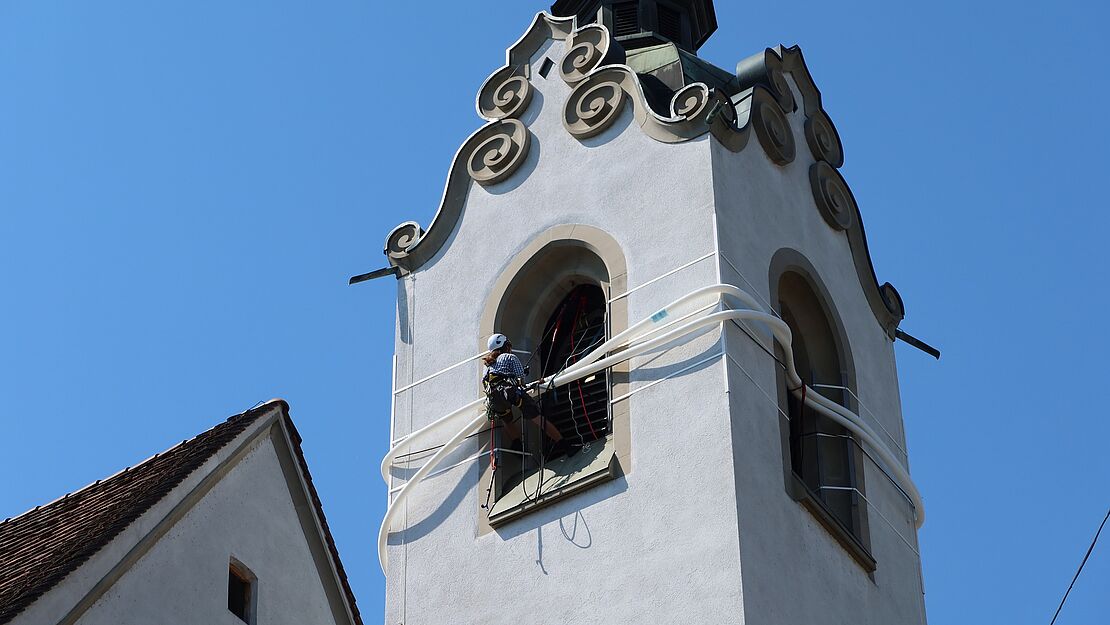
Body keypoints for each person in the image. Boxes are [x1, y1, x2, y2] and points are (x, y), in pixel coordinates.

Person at [483, 333, 563, 468]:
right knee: (537, 418)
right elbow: (521, 381)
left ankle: (518, 447)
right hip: (509, 392)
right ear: (506, 346)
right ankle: (563, 443)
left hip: (494, 398)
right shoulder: (509, 357)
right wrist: (525, 376)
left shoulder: (488, 365)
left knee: (507, 419)